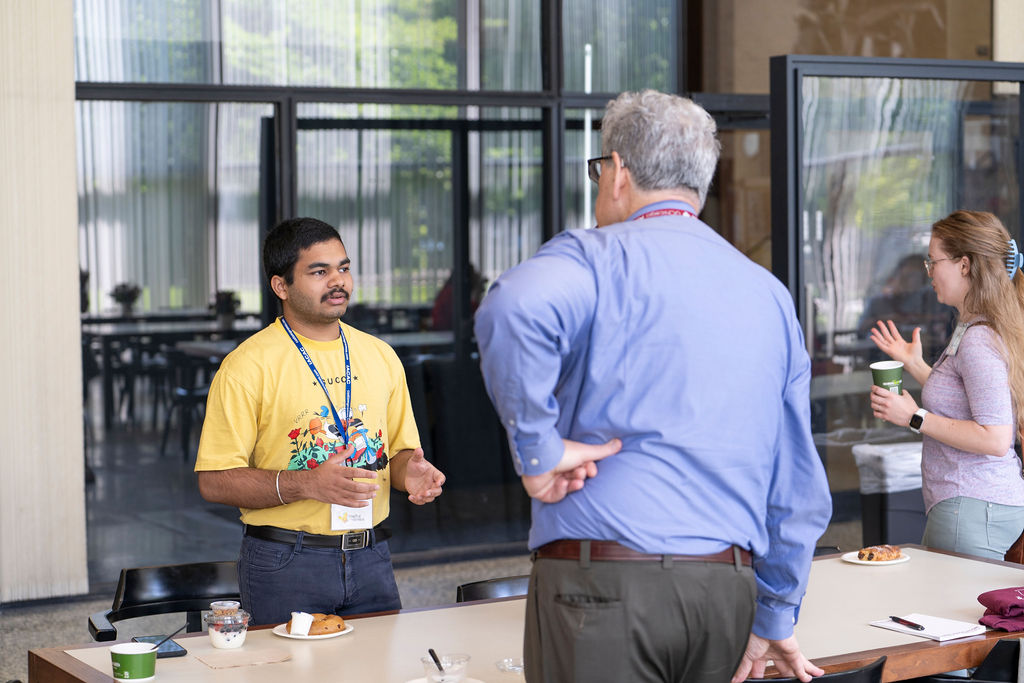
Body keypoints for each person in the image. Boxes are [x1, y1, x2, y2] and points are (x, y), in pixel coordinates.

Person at [473, 90, 832, 683]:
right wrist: (776, 612)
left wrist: (539, 452)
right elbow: (798, 484)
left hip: (603, 588)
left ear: (617, 172)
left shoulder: (592, 259)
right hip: (727, 594)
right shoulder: (766, 292)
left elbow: (511, 309)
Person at [195, 217, 446, 626]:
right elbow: (214, 480)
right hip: (286, 561)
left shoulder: (380, 355)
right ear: (281, 286)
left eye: (343, 268)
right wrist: (306, 483)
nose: (338, 282)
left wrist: (409, 472)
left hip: (371, 554)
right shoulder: (247, 366)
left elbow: (397, 455)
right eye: (319, 271)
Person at [869, 210, 1024, 560]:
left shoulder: (978, 340)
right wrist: (915, 365)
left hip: (970, 509)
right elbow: (966, 400)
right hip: (978, 506)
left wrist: (914, 416)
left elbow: (996, 437)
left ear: (964, 265)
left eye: (933, 261)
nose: (929, 272)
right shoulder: (976, 329)